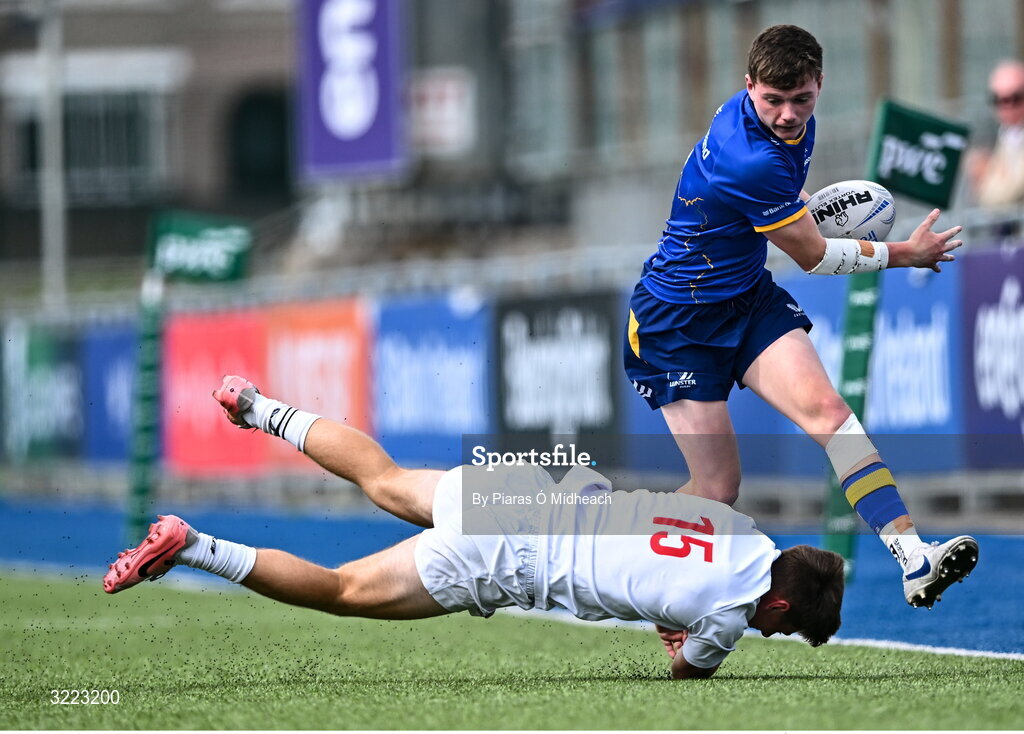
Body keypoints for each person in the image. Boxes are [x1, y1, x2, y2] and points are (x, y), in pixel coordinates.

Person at [103, 375, 845, 680]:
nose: (765, 632)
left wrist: (660, 610)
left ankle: (259, 407)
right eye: (776, 629)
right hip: (506, 555)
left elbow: (661, 560)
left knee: (386, 478)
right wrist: (680, 638)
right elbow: (689, 666)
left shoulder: (737, 527)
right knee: (344, 589)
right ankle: (194, 544)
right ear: (777, 606)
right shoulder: (725, 615)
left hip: (532, 493)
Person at [622, 24, 977, 608]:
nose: (788, 115)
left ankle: (915, 558)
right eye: (773, 101)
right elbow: (812, 256)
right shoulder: (748, 159)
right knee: (717, 488)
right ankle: (620, 548)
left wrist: (805, 214)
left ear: (819, 85)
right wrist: (906, 254)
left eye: (801, 100)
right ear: (749, 87)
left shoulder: (783, 127)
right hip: (676, 323)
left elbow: (792, 219)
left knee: (831, 415)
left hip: (746, 298)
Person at [967, 59, 1024, 209]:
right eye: (999, 100)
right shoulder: (996, 137)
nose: (1008, 107)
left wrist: (990, 178)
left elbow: (1006, 195)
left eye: (1016, 98)